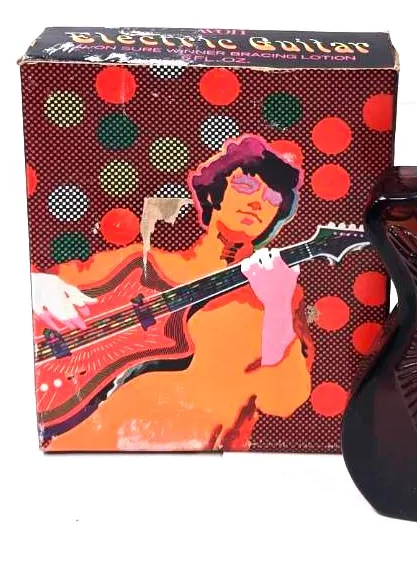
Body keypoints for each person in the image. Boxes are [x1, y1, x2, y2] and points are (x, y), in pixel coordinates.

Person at [31, 135, 314, 451]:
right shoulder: (139, 265)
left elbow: (282, 400)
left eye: (273, 198)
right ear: (215, 192)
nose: (258, 203)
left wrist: (277, 305)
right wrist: (40, 285)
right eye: (246, 186)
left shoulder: (276, 299)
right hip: (79, 446)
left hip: (194, 461)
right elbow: (34, 284)